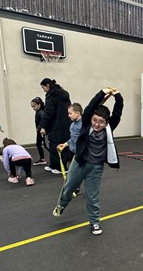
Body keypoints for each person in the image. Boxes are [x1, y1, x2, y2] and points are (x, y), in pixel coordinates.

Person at [52, 87, 124, 236]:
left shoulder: (109, 128)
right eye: (95, 120)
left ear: (107, 123)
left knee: (92, 196)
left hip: (95, 168)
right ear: (90, 118)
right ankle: (61, 204)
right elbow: (91, 106)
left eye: (101, 122)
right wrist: (102, 93)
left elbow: (118, 112)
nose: (97, 125)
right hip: (79, 163)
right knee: (69, 188)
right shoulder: (86, 124)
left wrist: (118, 96)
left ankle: (94, 222)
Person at [38, 78, 71, 175]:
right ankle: (54, 165)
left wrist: (42, 126)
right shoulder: (62, 93)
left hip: (56, 125)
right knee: (56, 145)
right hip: (65, 124)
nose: (43, 90)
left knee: (56, 145)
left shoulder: (51, 96)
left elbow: (49, 112)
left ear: (48, 85)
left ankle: (61, 167)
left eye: (43, 88)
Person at [57, 102, 83, 172]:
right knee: (73, 171)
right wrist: (65, 144)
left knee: (79, 172)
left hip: (80, 153)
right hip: (72, 151)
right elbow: (73, 138)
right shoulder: (72, 125)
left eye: (70, 113)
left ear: (77, 113)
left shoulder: (83, 125)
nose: (68, 115)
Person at [30, 97, 48, 165]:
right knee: (39, 144)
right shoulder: (38, 112)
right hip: (39, 131)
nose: (33, 108)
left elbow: (43, 121)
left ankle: (57, 157)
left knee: (46, 145)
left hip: (42, 131)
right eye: (32, 106)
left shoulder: (41, 112)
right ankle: (42, 159)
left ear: (39, 105)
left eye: (34, 106)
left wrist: (41, 128)